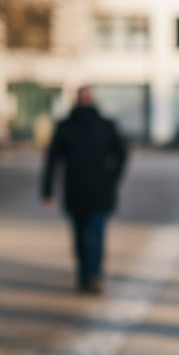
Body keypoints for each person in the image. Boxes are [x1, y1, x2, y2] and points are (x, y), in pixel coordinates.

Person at [41, 86, 128, 294]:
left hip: (77, 190)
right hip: (99, 189)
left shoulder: (66, 126)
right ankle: (93, 275)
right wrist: (113, 178)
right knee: (95, 234)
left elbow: (52, 160)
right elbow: (122, 154)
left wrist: (47, 190)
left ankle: (85, 276)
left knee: (82, 235)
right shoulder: (105, 125)